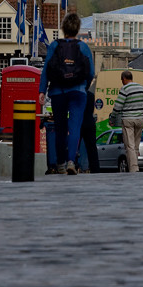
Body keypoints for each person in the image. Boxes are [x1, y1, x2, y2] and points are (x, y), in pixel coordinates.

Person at [38, 13, 95, 175]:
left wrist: (42, 90)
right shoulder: (83, 47)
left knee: (60, 129)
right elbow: (90, 72)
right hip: (78, 91)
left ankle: (61, 163)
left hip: (57, 91)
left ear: (63, 29)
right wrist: (85, 86)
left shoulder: (54, 46)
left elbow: (46, 71)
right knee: (75, 127)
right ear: (77, 29)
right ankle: (72, 161)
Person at [110, 70, 143, 173]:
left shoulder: (125, 89)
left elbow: (118, 105)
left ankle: (134, 168)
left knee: (130, 146)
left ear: (124, 79)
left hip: (128, 119)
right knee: (136, 145)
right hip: (140, 120)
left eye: (122, 80)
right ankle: (134, 165)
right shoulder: (142, 88)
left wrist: (112, 118)